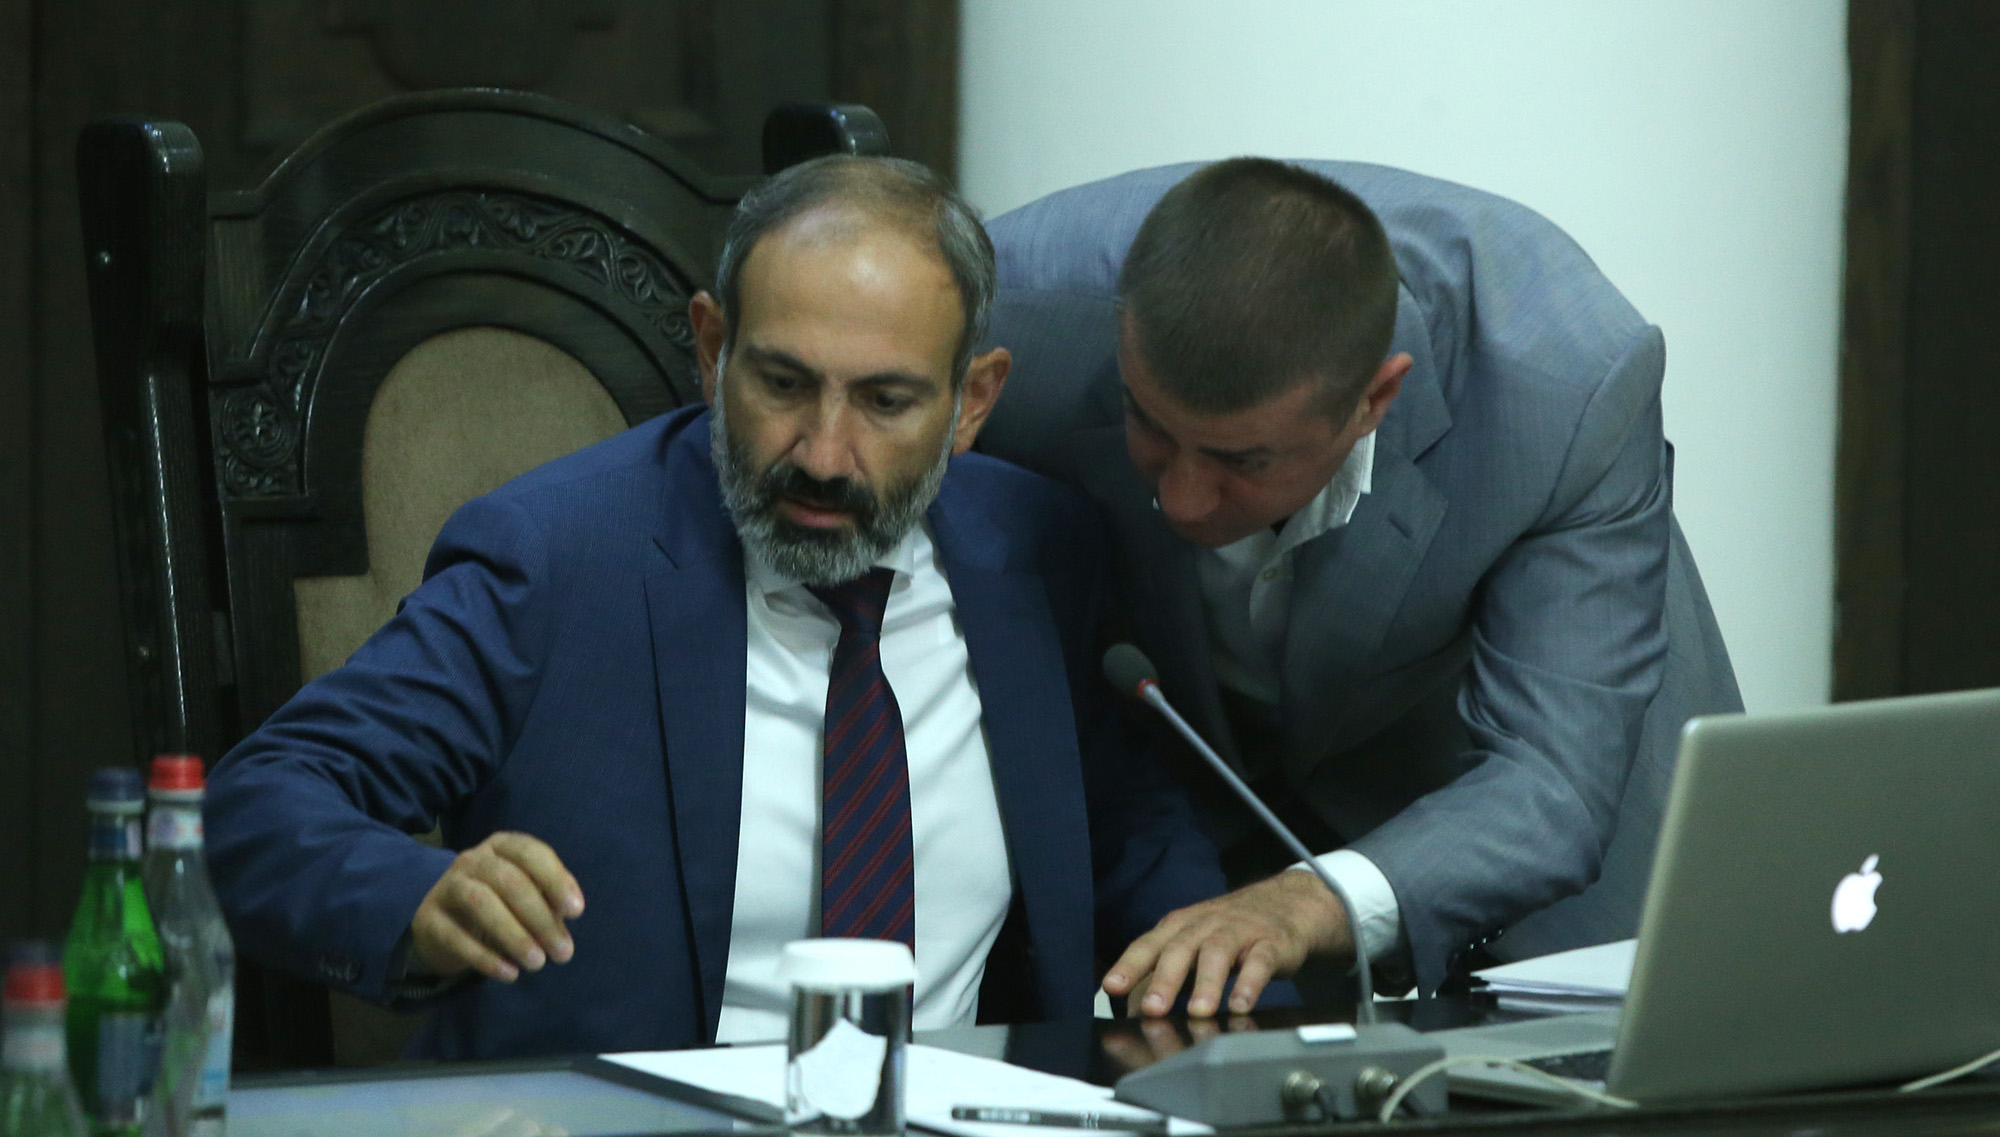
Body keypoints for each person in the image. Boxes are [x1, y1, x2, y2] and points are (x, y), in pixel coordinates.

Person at [203, 155, 1228, 1060]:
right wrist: (414, 897)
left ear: (972, 402)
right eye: (782, 383)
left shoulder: (1039, 554)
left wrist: (1232, 952)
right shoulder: (556, 562)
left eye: (885, 401)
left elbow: (1125, 821)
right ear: (711, 348)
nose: (823, 455)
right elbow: (260, 805)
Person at [975, 158, 1743, 1016]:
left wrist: (1312, 899)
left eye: (1243, 460)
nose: (1181, 500)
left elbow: (1551, 781)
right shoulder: (1006, 317)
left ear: (1376, 397)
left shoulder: (1563, 384)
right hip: (1189, 799)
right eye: (1148, 425)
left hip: (1491, 786)